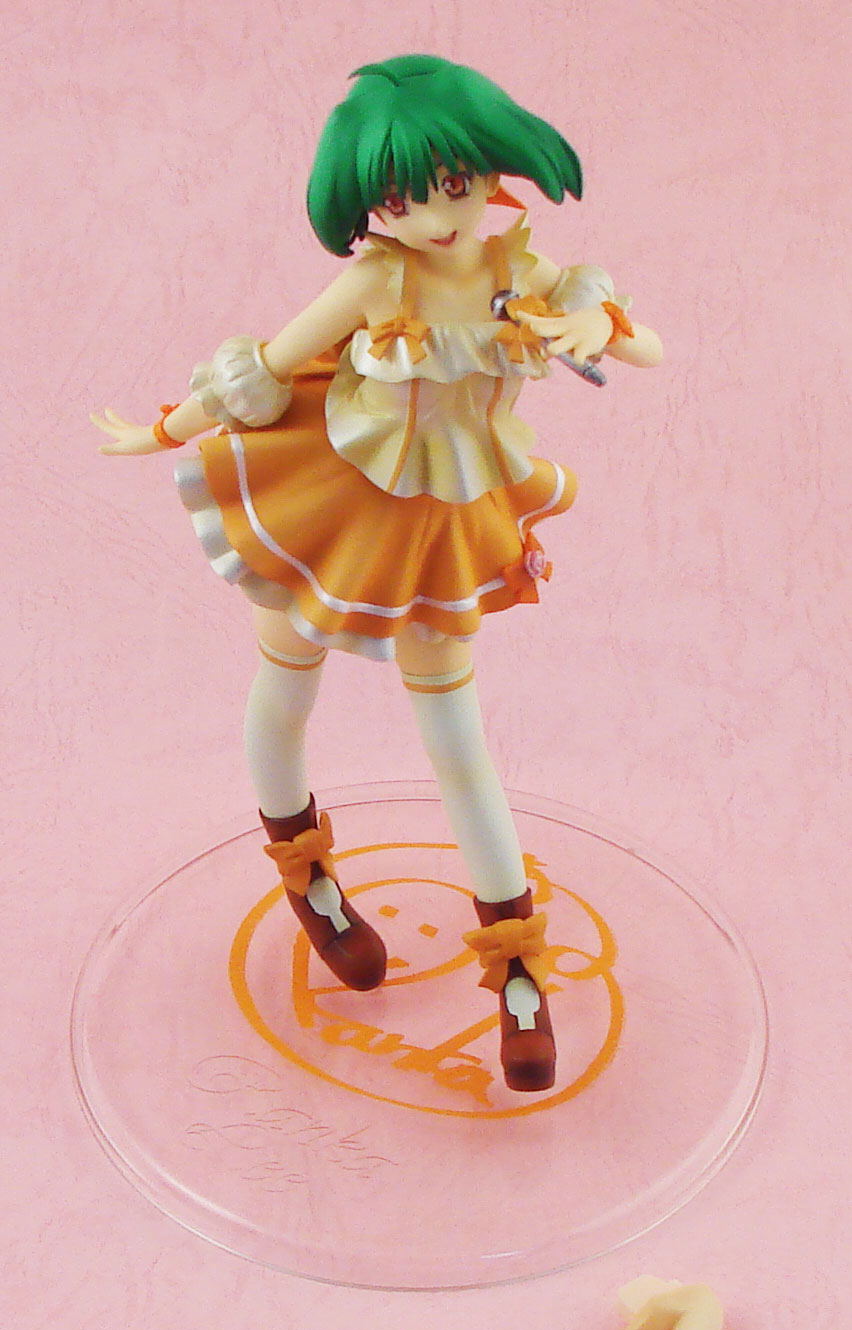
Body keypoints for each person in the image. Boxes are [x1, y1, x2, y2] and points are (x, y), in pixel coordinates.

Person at [92, 55, 663, 1094]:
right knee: (286, 687)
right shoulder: (376, 280)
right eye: (403, 199)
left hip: (446, 522)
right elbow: (269, 367)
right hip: (334, 507)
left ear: (488, 172)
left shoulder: (516, 268)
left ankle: (517, 969)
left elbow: (646, 345)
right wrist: (163, 429)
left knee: (458, 741)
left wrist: (601, 327)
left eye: (453, 185)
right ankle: (307, 871)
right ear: (369, 205)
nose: (436, 218)